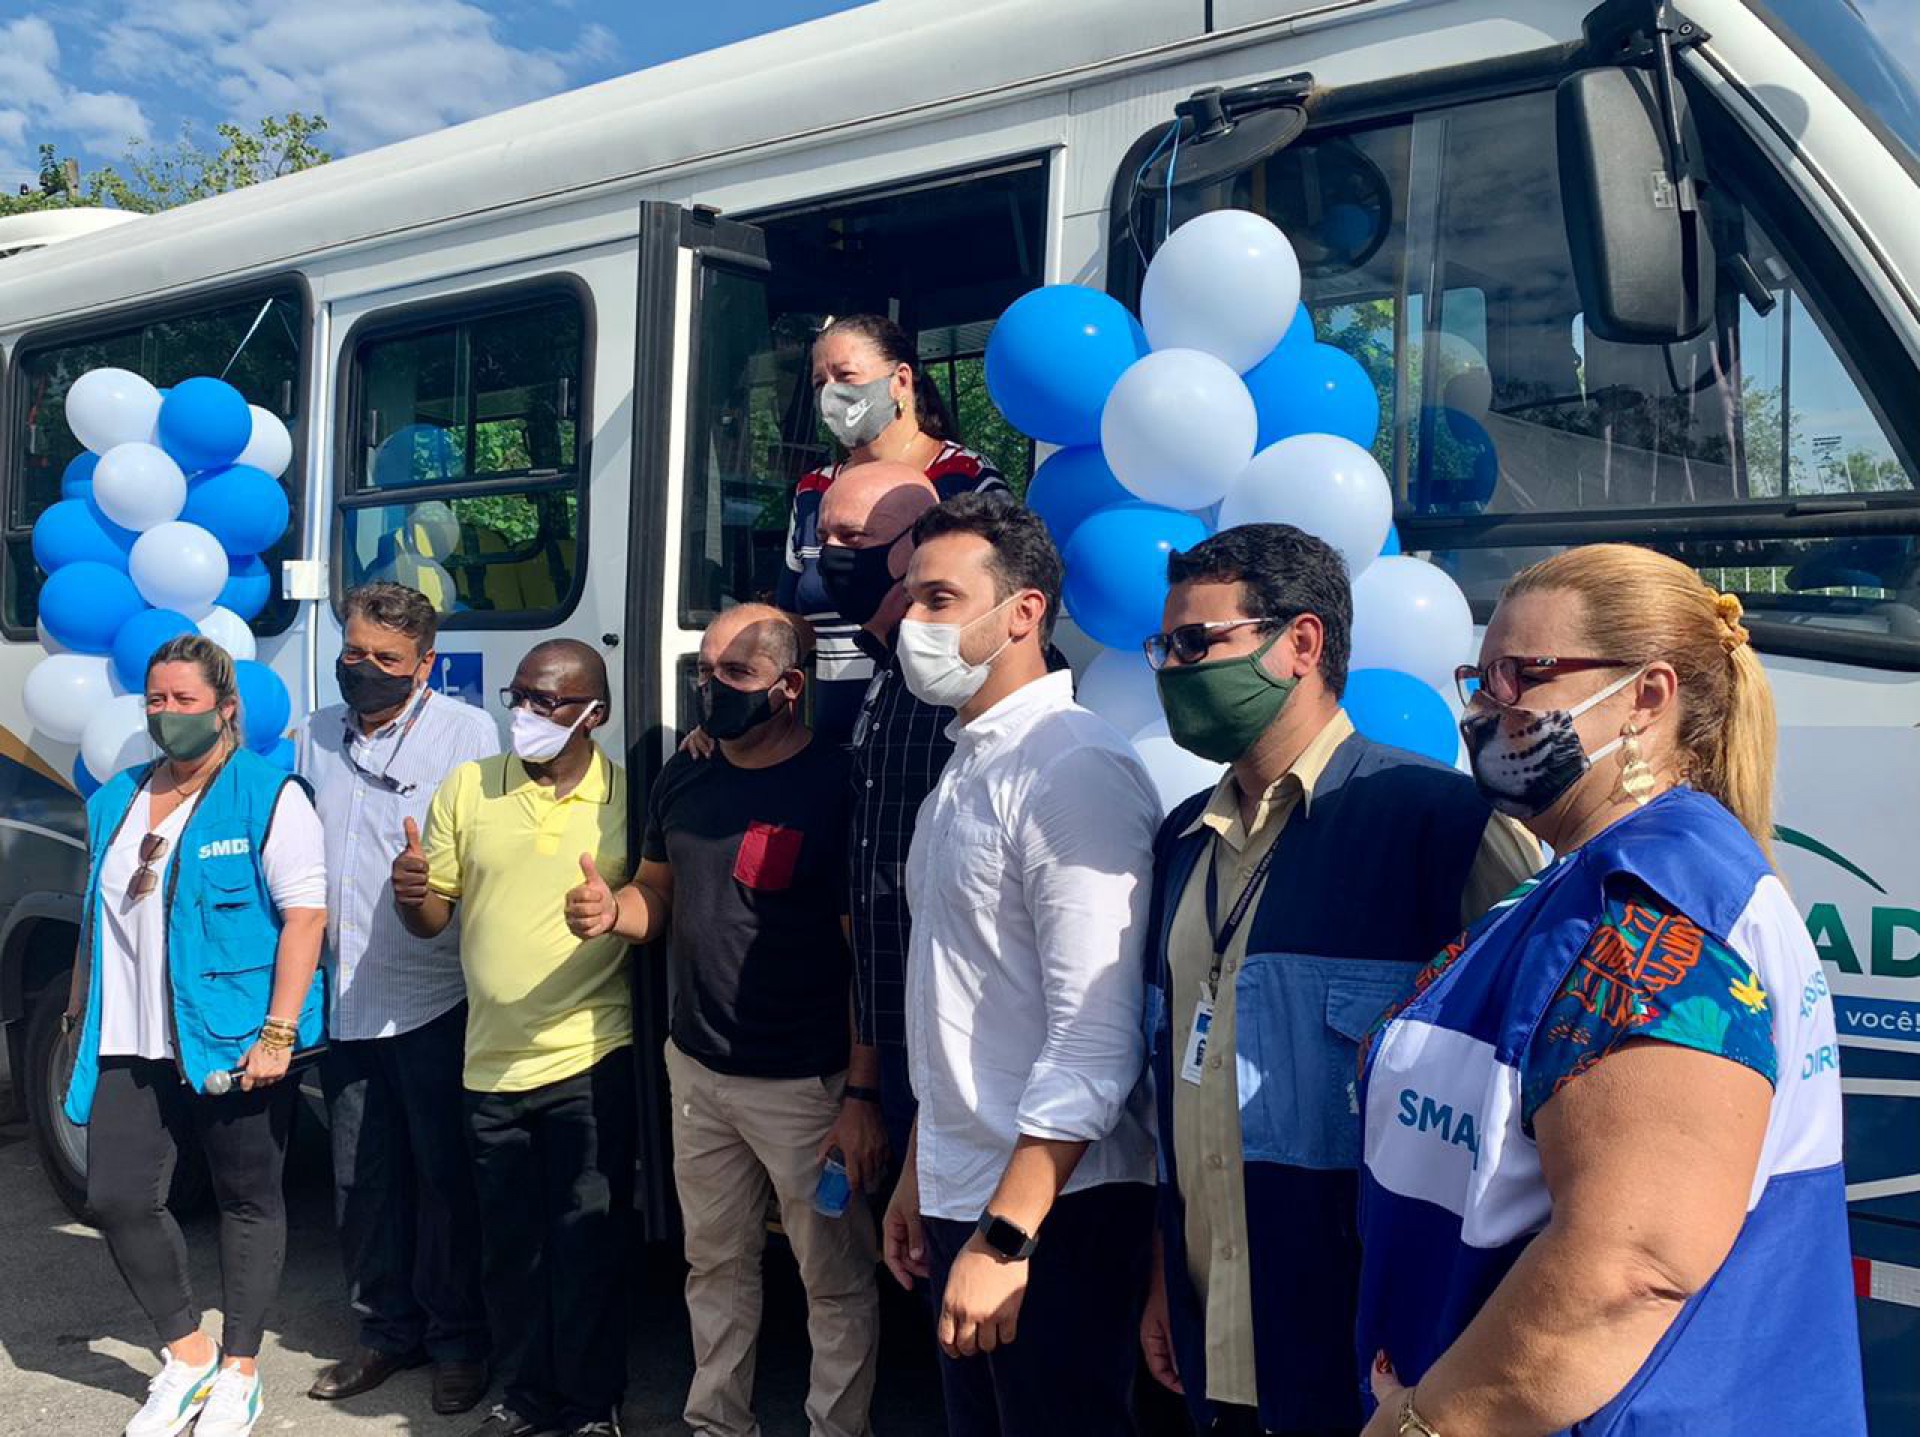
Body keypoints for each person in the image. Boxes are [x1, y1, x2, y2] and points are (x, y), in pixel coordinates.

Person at [1354, 546, 1865, 1437]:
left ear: (1648, 696)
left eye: (1527, 674)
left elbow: (1629, 1266)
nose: (1490, 706)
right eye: (1482, 674)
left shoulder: (1658, 914)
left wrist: (1427, 1424)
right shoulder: (1588, 880)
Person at [1136, 524, 1539, 1437]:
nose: (1172, 669)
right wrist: (1166, 1273)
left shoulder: (1439, 825)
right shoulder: (1180, 844)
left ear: (1301, 645)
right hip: (1218, 1349)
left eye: (1196, 644)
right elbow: (1180, 1091)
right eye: (1163, 647)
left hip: (1378, 1361)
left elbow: (1534, 1097)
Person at [881, 493, 1161, 1437]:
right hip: (971, 1188)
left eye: (940, 597)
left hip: (1054, 1212)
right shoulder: (965, 768)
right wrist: (925, 1174)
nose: (913, 624)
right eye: (911, 600)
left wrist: (1005, 1233)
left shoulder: (1071, 765)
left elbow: (1094, 1033)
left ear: (1024, 612)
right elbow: (954, 997)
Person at [565, 604, 879, 1437]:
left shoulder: (837, 787)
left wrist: (860, 1090)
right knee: (715, 1264)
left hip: (805, 1084)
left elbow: (862, 957)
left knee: (833, 1279)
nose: (712, 689)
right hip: (697, 1070)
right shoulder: (686, 773)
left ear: (789, 687)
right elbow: (657, 895)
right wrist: (612, 911)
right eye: (706, 672)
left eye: (735, 675)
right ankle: (716, 1423)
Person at [62, 634, 328, 1437]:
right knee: (114, 1196)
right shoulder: (116, 798)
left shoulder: (267, 792)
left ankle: (241, 1370)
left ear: (225, 707)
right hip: (130, 1037)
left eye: (184, 699)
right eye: (156, 699)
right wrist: (80, 1010)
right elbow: (96, 922)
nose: (167, 713)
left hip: (231, 1037)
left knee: (247, 1199)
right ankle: (188, 1352)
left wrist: (279, 1031)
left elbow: (306, 917)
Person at [392, 639, 633, 1437]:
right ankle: (527, 1396)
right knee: (512, 1247)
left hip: (590, 1053)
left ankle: (591, 1407)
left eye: (546, 701)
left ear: (592, 714)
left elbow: (653, 901)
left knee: (586, 1242)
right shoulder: (470, 785)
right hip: (489, 1062)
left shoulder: (626, 796)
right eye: (518, 695)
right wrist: (413, 894)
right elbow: (434, 917)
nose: (524, 713)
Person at [297, 582, 499, 1414]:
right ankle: (384, 1332)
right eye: (354, 653)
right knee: (360, 1181)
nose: (365, 670)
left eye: (386, 659)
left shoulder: (467, 734)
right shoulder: (313, 731)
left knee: (444, 1178)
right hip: (344, 999)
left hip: (432, 996)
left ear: (424, 664)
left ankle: (457, 1340)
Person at [780, 314, 1006, 744]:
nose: (831, 393)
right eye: (818, 383)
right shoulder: (813, 493)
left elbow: (998, 610)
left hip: (932, 740)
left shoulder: (965, 479)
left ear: (900, 381)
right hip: (835, 739)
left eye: (845, 376)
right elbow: (795, 621)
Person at [813, 460, 946, 1174]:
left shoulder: (949, 690)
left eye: (853, 536)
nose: (831, 554)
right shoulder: (887, 669)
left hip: (940, 1050)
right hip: (890, 1038)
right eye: (824, 534)